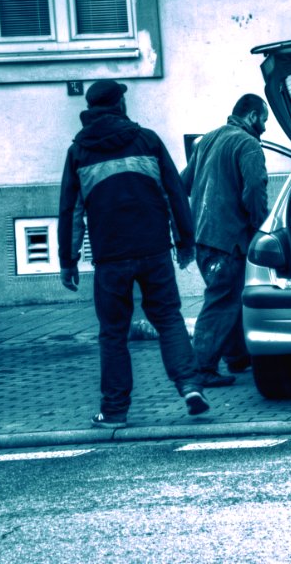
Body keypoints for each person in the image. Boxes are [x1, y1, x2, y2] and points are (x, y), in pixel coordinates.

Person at [58, 79, 210, 428]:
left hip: (110, 258)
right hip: (154, 249)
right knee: (169, 319)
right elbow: (174, 192)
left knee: (113, 333)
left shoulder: (80, 151)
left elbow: (71, 210)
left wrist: (69, 261)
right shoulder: (147, 140)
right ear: (119, 104)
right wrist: (184, 241)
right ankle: (189, 386)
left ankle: (114, 412)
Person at [181, 94, 270, 387]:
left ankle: (237, 357)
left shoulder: (208, 139)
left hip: (204, 236)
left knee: (231, 297)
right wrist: (262, 226)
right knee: (222, 301)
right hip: (229, 239)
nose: (265, 128)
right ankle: (201, 368)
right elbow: (255, 187)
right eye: (265, 120)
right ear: (253, 116)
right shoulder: (248, 144)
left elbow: (182, 183)